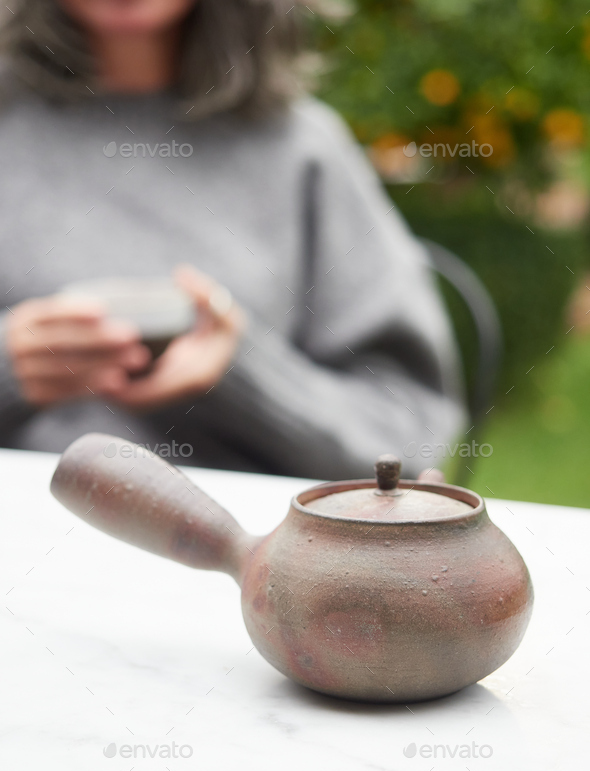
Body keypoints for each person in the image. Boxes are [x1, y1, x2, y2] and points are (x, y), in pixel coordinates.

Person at [0, 0, 465, 479]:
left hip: (248, 545)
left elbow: (405, 442)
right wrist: (9, 369)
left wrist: (242, 377)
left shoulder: (303, 149)